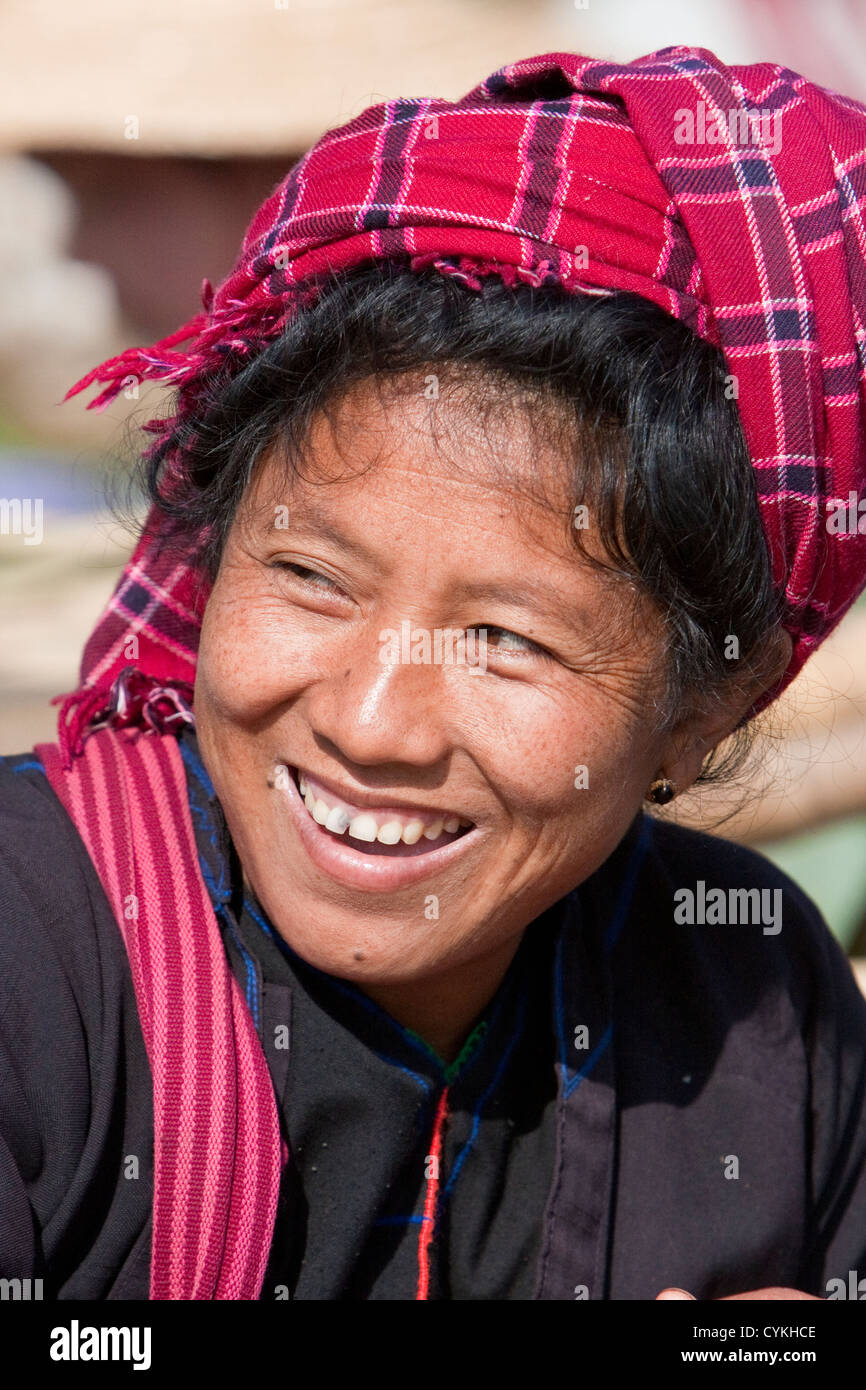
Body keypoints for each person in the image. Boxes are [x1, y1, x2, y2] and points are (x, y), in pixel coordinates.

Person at [2, 44, 866, 1302]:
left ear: (706, 706)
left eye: (507, 640)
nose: (369, 723)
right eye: (309, 578)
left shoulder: (752, 1011)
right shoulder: (35, 954)